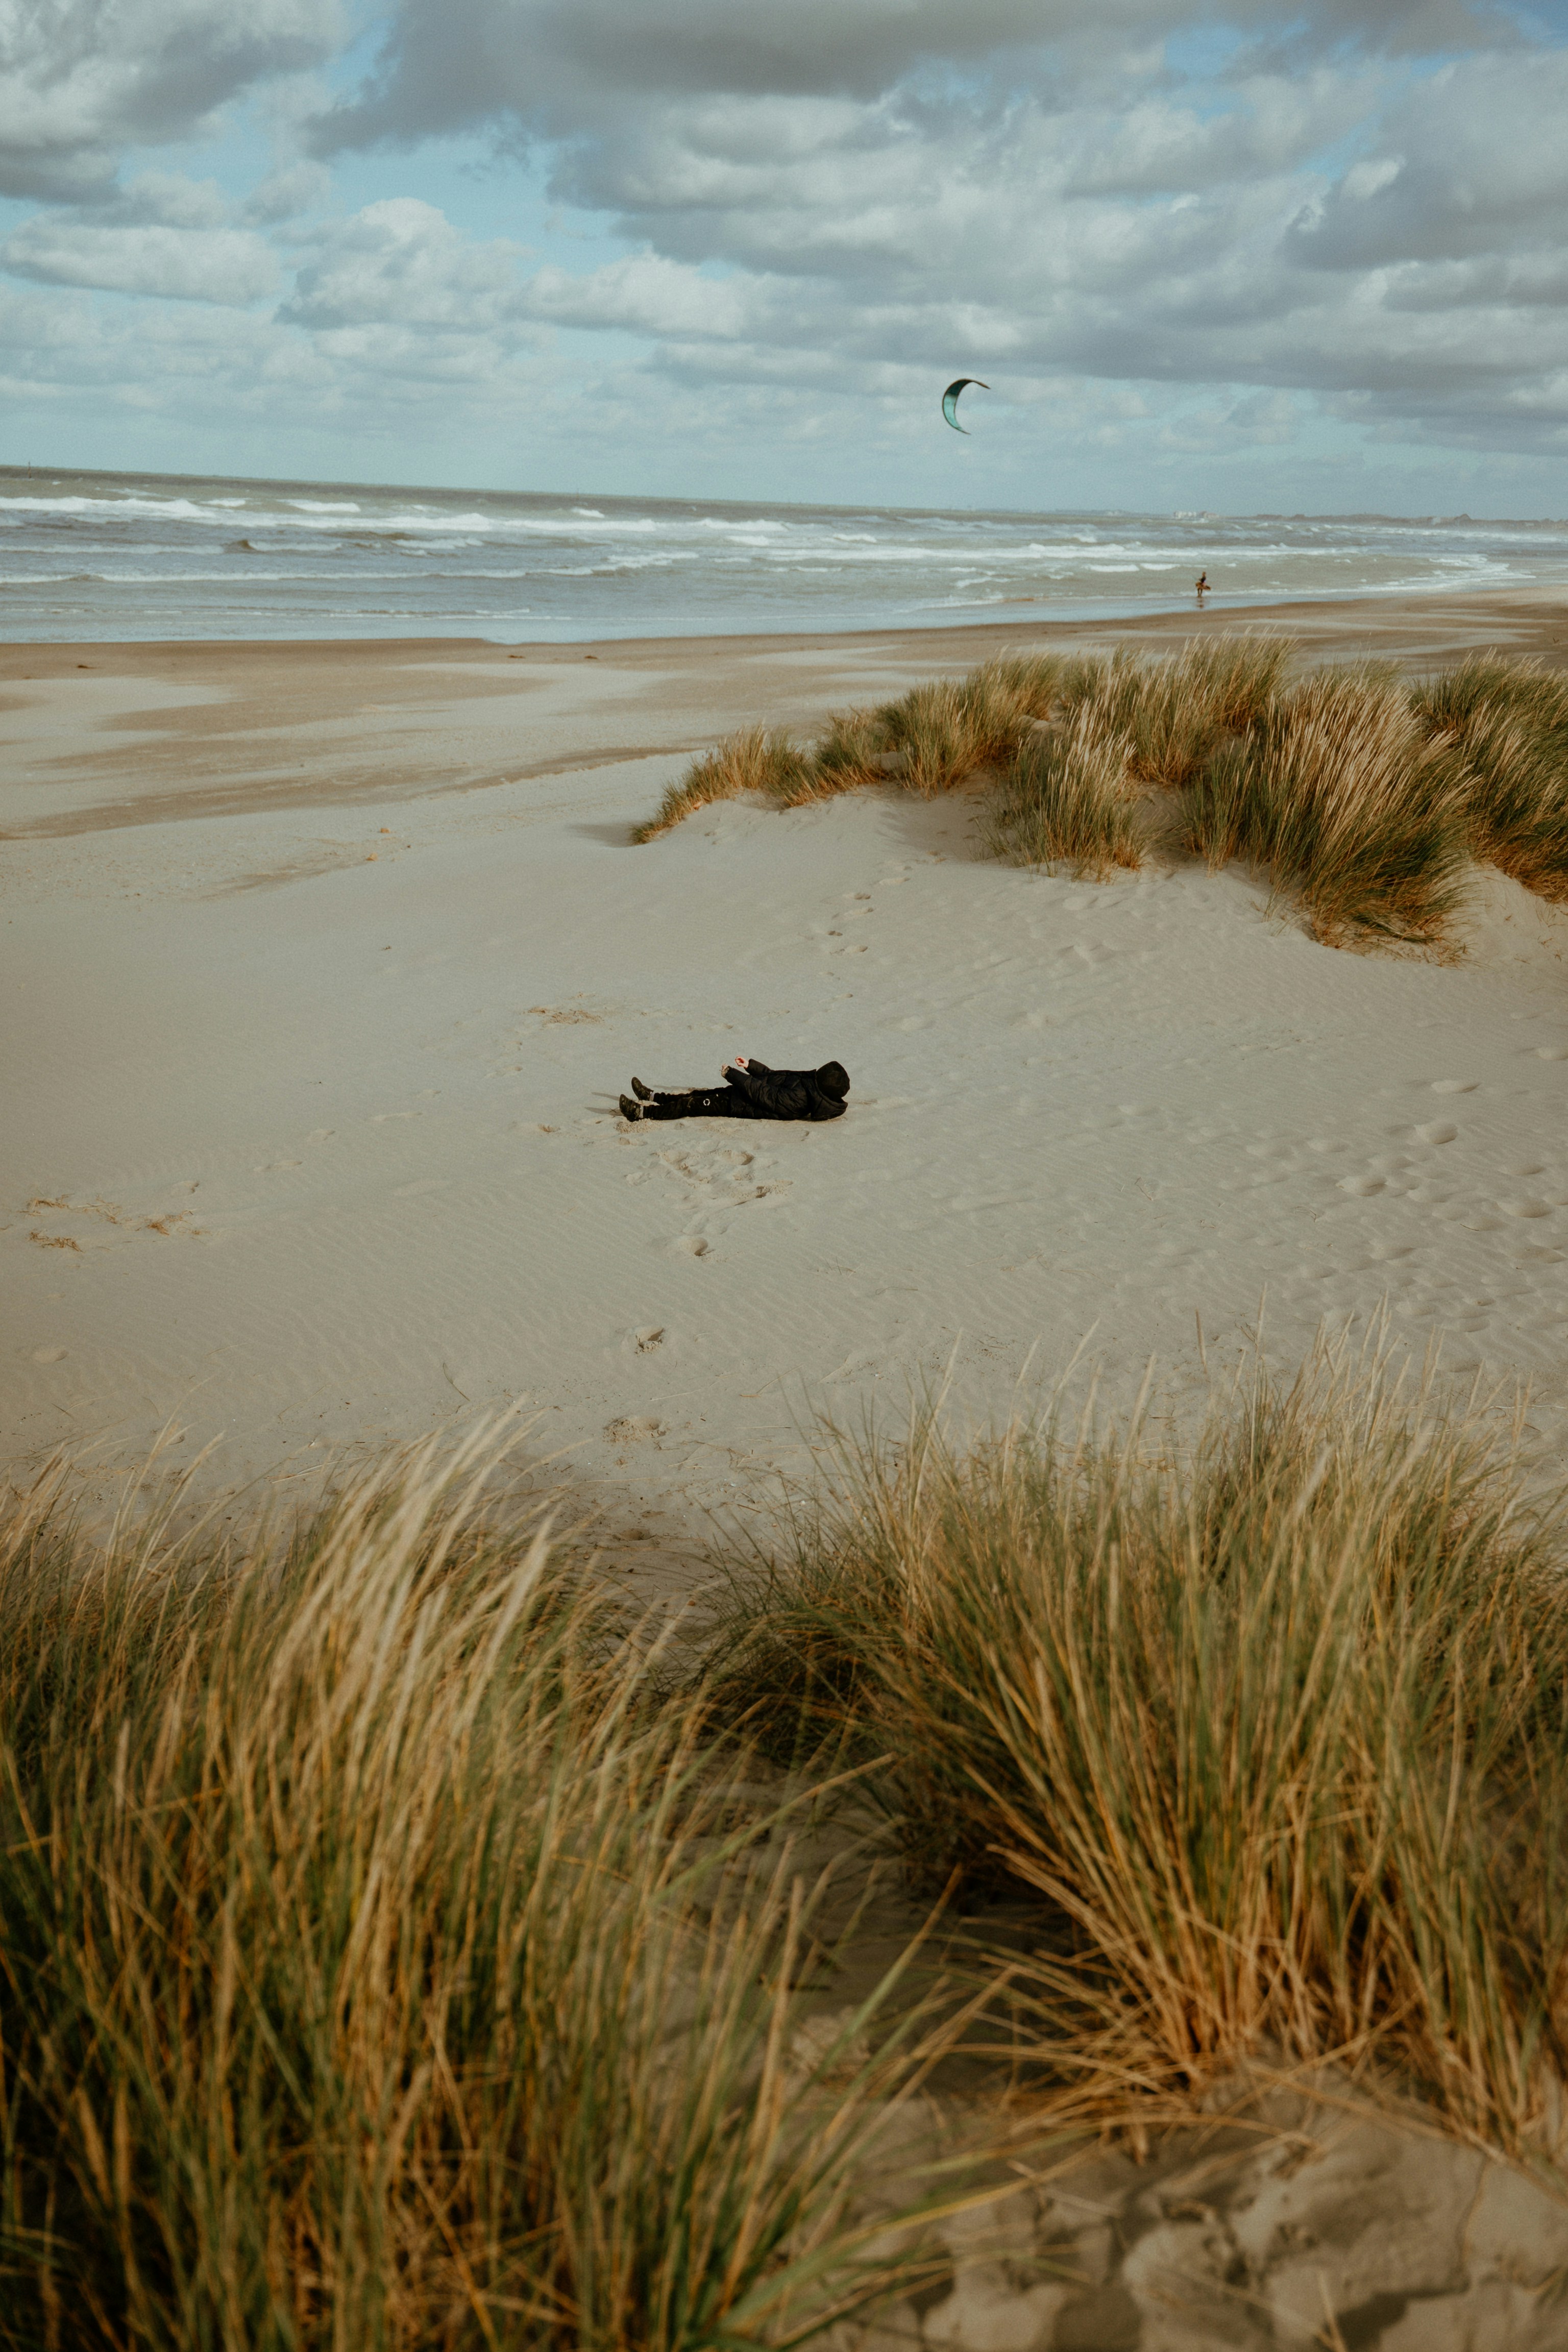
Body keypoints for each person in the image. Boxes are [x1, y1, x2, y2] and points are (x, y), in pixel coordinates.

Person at [620, 1055, 850, 1122]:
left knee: (690, 1106)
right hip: (740, 1093)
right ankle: (652, 1096)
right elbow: (772, 1077)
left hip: (737, 1105)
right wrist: (751, 1066)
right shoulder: (805, 1083)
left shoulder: (799, 1101)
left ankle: (641, 1113)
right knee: (696, 1095)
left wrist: (733, 1075)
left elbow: (763, 1095)